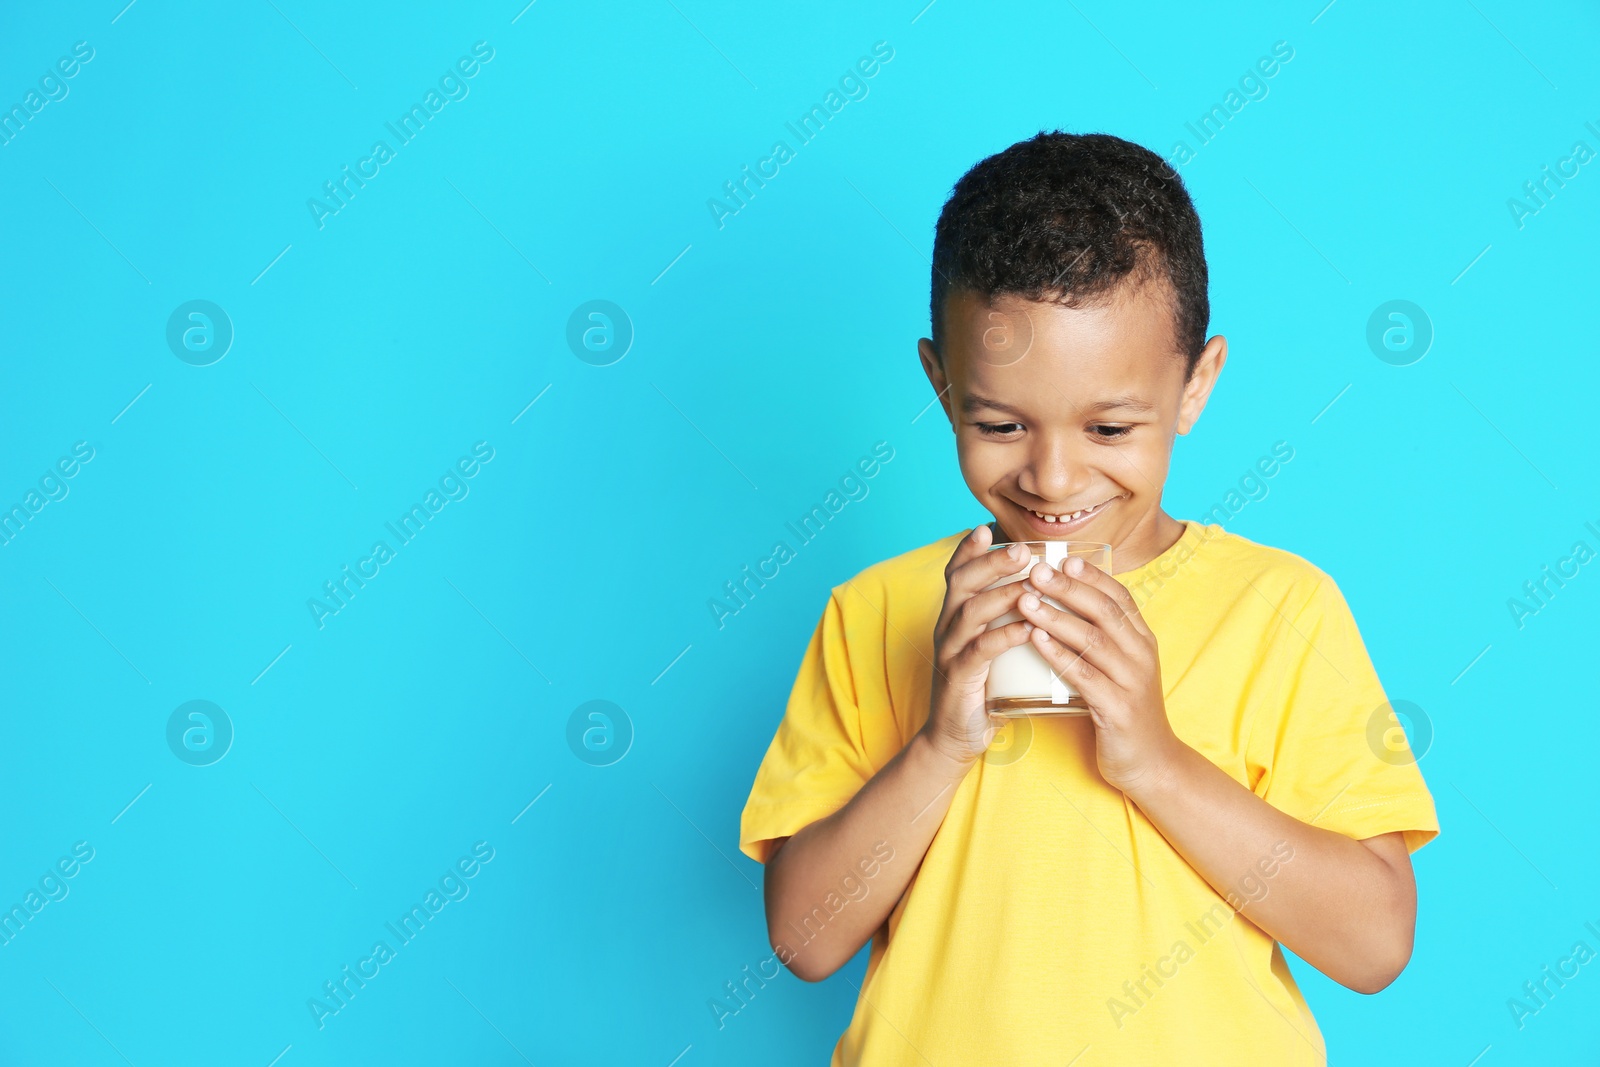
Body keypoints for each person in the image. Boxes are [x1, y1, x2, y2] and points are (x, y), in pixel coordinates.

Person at [737, 130, 1438, 1065]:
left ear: (1195, 385)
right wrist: (943, 738)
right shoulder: (878, 610)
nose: (1054, 476)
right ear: (943, 387)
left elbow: (1374, 942)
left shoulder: (1281, 609)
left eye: (1109, 424)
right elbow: (805, 937)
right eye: (999, 422)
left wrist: (1153, 757)